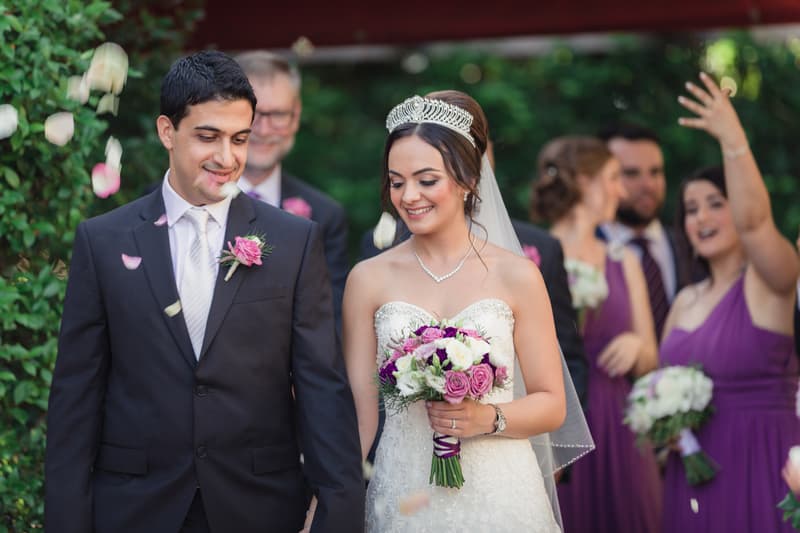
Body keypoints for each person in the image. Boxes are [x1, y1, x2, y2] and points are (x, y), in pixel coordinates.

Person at [44, 50, 364, 533]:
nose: (227, 157)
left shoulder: (295, 242)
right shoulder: (103, 241)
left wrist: (338, 517)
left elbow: (323, 389)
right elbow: (76, 398)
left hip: (259, 507)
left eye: (239, 138)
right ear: (167, 132)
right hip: (134, 509)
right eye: (208, 136)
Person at [344, 90, 592, 532]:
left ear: (467, 179)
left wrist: (490, 417)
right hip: (405, 494)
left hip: (502, 497)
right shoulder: (368, 279)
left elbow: (552, 405)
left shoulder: (518, 275)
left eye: (426, 179)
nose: (409, 196)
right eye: (396, 181)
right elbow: (361, 415)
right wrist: (320, 501)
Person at [660, 72, 800, 532]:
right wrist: (664, 434)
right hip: (693, 476)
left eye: (715, 203)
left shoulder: (771, 280)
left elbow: (758, 225)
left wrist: (732, 140)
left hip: (763, 459)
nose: (701, 217)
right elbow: (657, 391)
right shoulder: (682, 302)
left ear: (737, 205)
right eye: (692, 208)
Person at [531, 136, 661, 532]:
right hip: (561, 420)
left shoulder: (625, 261)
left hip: (619, 424)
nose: (621, 191)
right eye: (613, 178)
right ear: (585, 183)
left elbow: (652, 358)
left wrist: (636, 346)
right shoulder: (531, 257)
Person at [233, 50, 348, 331]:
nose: (264, 128)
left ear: (296, 117)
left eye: (279, 115)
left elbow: (327, 324)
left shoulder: (325, 216)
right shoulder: (190, 201)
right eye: (254, 114)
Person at [598, 122, 680, 340]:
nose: (648, 185)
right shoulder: (581, 251)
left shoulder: (689, 245)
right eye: (631, 173)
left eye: (655, 172)